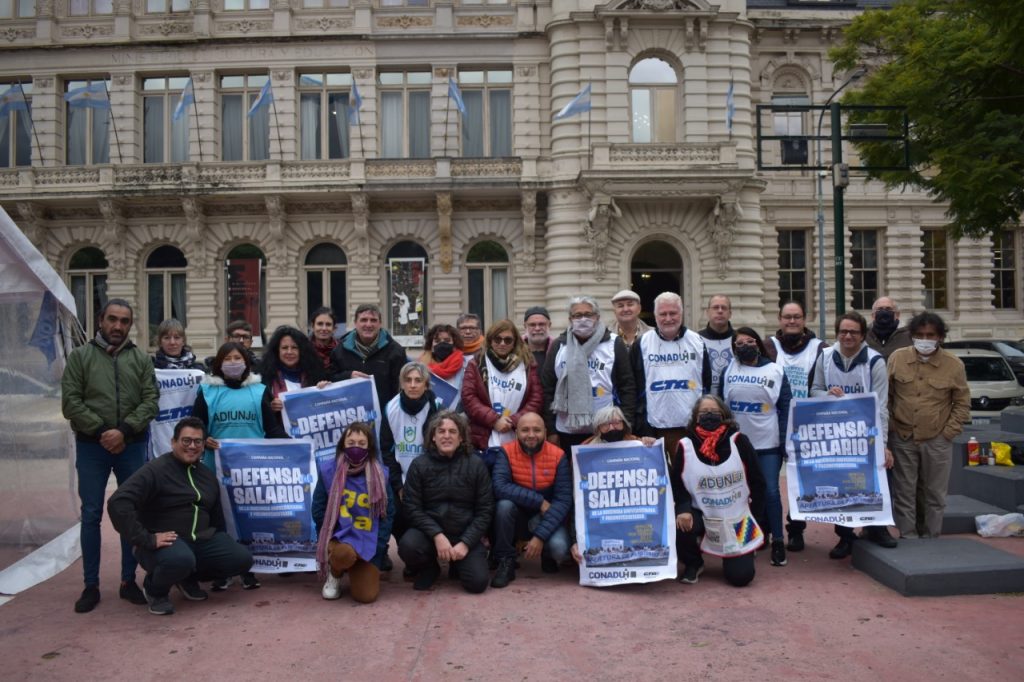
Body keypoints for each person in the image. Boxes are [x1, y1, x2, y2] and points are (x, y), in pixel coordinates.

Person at [61, 298, 159, 613]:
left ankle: (128, 581)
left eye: (124, 321)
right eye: (112, 319)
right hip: (93, 447)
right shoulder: (80, 357)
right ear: (101, 320)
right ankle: (90, 585)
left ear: (131, 325)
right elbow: (71, 402)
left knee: (131, 513)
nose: (118, 326)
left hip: (131, 445)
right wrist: (105, 431)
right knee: (91, 514)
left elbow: (151, 400)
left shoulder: (141, 359)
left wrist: (125, 431)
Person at [106, 417, 254, 616]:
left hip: (199, 540)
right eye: (186, 441)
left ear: (203, 445)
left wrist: (223, 545)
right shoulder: (155, 470)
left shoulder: (207, 475)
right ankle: (155, 590)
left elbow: (216, 518)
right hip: (164, 544)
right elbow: (118, 503)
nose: (192, 446)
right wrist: (145, 538)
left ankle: (187, 578)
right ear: (173, 442)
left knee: (241, 558)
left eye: (197, 442)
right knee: (180, 559)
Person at [192, 341, 286, 590]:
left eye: (238, 358)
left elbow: (272, 428)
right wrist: (203, 440)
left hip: (251, 470)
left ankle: (249, 569)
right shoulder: (207, 392)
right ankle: (222, 571)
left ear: (246, 362)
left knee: (250, 519)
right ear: (219, 363)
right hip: (216, 468)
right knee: (219, 520)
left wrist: (296, 446)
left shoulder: (258, 391)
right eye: (228, 358)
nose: (233, 363)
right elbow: (195, 425)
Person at [810, 312, 896, 557]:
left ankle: (877, 528)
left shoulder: (875, 361)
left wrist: (883, 444)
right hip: (838, 433)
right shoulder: (825, 357)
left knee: (875, 478)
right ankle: (845, 536)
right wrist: (827, 394)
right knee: (841, 483)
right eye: (843, 331)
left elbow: (881, 405)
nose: (848, 336)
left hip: (866, 431)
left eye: (853, 332)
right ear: (837, 333)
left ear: (862, 335)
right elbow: (813, 390)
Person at [887, 312, 970, 539]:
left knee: (934, 493)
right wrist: (892, 425)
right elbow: (888, 396)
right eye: (920, 334)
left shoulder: (954, 365)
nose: (925, 339)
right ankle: (908, 535)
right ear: (912, 335)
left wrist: (948, 433)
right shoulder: (897, 358)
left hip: (937, 439)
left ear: (940, 337)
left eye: (930, 335)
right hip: (903, 437)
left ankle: (931, 537)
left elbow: (962, 403)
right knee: (904, 491)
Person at [671, 396, 766, 587]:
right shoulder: (685, 445)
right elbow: (677, 483)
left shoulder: (739, 441)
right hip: (702, 513)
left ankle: (745, 552)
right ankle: (693, 563)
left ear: (723, 415)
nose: (709, 416)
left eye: (714, 412)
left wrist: (755, 518)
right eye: (704, 412)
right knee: (680, 522)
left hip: (737, 518)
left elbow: (758, 482)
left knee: (741, 578)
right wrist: (683, 508)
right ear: (696, 418)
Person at [398, 411, 494, 593]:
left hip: (464, 533)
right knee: (408, 546)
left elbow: (485, 510)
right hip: (430, 534)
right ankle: (430, 568)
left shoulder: (475, 465)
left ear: (461, 437)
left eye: (452, 431)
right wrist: (437, 535)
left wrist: (466, 542)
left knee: (478, 583)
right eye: (441, 431)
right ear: (433, 437)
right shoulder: (419, 465)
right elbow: (411, 508)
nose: (447, 436)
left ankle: (458, 563)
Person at [720, 327, 791, 567]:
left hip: (767, 442)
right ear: (734, 348)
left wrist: (784, 441)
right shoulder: (727, 370)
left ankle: (779, 540)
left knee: (771, 491)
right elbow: (721, 408)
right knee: (742, 494)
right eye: (739, 343)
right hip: (738, 444)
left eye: (750, 341)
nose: (745, 346)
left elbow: (785, 408)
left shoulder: (776, 370)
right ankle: (749, 538)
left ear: (758, 344)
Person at [763, 300, 826, 553]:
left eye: (797, 317)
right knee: (768, 483)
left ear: (804, 319)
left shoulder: (820, 348)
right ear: (779, 319)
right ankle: (767, 528)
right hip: (773, 424)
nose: (792, 321)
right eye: (787, 317)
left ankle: (796, 528)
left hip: (807, 426)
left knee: (801, 482)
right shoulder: (768, 346)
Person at [312, 422, 395, 603]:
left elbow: (388, 514)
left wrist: (379, 545)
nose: (355, 447)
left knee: (366, 596)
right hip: (340, 539)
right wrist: (329, 539)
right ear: (343, 445)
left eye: (361, 443)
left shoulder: (381, 474)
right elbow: (318, 509)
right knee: (344, 554)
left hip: (369, 541)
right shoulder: (328, 471)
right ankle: (335, 573)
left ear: (369, 447)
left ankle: (351, 567)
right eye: (351, 443)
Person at [542, 295, 636, 450]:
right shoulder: (559, 346)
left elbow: (628, 387)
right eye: (578, 315)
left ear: (597, 317)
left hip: (607, 428)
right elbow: (547, 389)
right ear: (570, 319)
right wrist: (551, 430)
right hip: (566, 430)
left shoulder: (613, 343)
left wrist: (626, 425)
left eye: (588, 314)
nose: (583, 319)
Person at [490, 413, 572, 588]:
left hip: (545, 517)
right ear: (517, 432)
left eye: (537, 430)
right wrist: (539, 502)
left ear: (545, 432)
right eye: (525, 430)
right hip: (519, 515)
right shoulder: (506, 451)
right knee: (503, 506)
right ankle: (506, 561)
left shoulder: (559, 455)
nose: (531, 435)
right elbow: (499, 487)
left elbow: (563, 500)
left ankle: (547, 556)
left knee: (560, 549)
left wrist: (540, 537)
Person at [379, 361, 445, 573]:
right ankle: (411, 557)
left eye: (418, 380)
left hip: (430, 478)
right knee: (396, 513)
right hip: (401, 477)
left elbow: (441, 450)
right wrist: (398, 485)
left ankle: (431, 555)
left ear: (426, 385)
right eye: (408, 380)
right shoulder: (391, 407)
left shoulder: (437, 407)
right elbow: (387, 450)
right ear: (402, 384)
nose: (413, 385)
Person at [632, 292, 711, 462]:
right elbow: (635, 387)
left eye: (673, 313)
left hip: (689, 427)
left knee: (686, 480)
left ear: (681, 314)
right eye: (663, 314)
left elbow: (706, 383)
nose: (668, 318)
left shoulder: (697, 341)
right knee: (658, 482)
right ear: (655, 315)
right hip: (653, 429)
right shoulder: (642, 343)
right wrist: (642, 427)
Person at [461, 319, 544, 468]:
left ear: (515, 342)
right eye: (497, 339)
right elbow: (469, 398)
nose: (502, 343)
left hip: (517, 436)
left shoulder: (527, 364)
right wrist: (494, 420)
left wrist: (514, 421)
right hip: (483, 438)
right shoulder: (476, 363)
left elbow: (536, 398)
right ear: (490, 340)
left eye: (508, 340)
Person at [329, 304, 407, 410]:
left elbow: (401, 389)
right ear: (355, 323)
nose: (368, 324)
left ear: (380, 324)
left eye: (373, 320)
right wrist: (348, 376)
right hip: (350, 417)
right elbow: (331, 379)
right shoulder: (339, 350)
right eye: (364, 320)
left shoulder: (396, 352)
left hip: (384, 416)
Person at [260, 326, 327, 433]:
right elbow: (258, 412)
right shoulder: (266, 378)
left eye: (294, 347)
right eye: (285, 348)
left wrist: (325, 391)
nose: (289, 352)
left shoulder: (316, 375)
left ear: (302, 351)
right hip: (279, 441)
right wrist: (270, 408)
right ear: (277, 351)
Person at [418, 323, 467, 408]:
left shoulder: (466, 365)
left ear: (454, 344)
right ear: (431, 345)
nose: (442, 344)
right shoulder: (420, 366)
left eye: (447, 340)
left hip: (456, 415)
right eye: (437, 341)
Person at [698, 294, 735, 395]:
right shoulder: (696, 340)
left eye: (724, 308)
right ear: (708, 312)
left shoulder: (739, 339)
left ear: (730, 313)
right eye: (715, 307)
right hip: (705, 402)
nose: (720, 311)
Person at [581, 405, 656, 447]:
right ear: (598, 428)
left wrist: (651, 443)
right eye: (605, 424)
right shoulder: (586, 447)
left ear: (624, 424)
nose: (611, 428)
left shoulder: (637, 442)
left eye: (616, 422)